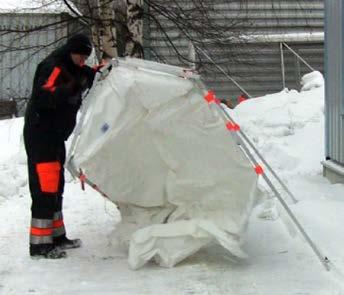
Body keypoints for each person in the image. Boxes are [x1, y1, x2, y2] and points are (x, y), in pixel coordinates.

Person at [23, 33, 97, 259]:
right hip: (41, 134)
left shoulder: (71, 66)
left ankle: (57, 236)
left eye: (86, 58)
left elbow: (81, 76)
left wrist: (92, 73)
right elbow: (44, 96)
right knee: (45, 187)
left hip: (55, 136)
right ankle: (40, 245)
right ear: (71, 51)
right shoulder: (53, 66)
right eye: (81, 57)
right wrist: (71, 88)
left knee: (56, 186)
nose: (83, 62)